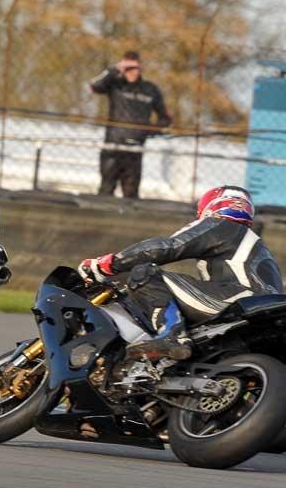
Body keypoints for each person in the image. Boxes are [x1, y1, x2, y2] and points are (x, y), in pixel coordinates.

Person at [78, 186, 282, 361]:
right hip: (263, 319)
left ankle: (172, 336)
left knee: (145, 273)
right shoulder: (260, 248)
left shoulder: (223, 225)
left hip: (233, 301)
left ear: (211, 206)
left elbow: (168, 247)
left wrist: (108, 264)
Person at [89, 51, 171, 198]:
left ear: (141, 68)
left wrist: (151, 130)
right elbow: (94, 86)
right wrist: (114, 70)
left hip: (135, 150)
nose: (132, 72)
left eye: (135, 68)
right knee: (106, 189)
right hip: (112, 146)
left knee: (131, 193)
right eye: (128, 68)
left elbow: (165, 119)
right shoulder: (115, 84)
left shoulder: (150, 89)